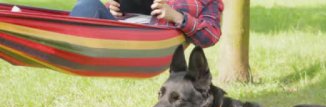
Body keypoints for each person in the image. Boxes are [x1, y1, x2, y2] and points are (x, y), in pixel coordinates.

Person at [70, 0, 224, 48]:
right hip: (117, 32)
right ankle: (66, 46)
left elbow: (211, 35)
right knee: (87, 4)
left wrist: (177, 17)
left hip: (149, 43)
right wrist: (112, 9)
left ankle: (71, 47)